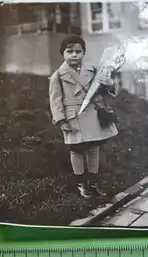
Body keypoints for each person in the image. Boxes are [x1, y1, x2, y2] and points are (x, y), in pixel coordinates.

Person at [49, 36, 119, 198]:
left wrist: (109, 83)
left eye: (78, 51)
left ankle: (94, 181)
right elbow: (55, 100)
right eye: (69, 51)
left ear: (83, 53)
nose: (74, 55)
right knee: (76, 150)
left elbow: (105, 90)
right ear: (63, 53)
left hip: (92, 113)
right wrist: (60, 120)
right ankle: (81, 183)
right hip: (73, 117)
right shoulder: (58, 76)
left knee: (94, 148)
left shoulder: (93, 69)